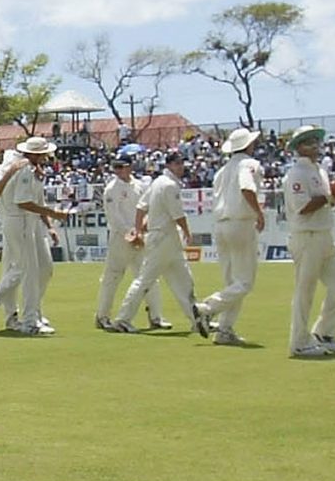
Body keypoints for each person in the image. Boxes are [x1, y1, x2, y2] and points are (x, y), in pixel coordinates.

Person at [0, 136, 71, 335]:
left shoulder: (16, 165)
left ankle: (17, 316)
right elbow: (22, 202)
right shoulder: (22, 167)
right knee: (25, 270)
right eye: (42, 154)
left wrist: (48, 225)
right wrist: (54, 214)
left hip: (18, 221)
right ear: (33, 153)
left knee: (26, 269)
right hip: (21, 220)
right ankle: (18, 316)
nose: (46, 157)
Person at [280, 125, 335, 358]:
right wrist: (332, 194)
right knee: (306, 291)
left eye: (315, 140)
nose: (314, 145)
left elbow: (325, 201)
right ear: (298, 147)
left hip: (325, 235)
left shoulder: (319, 170)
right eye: (308, 141)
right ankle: (299, 342)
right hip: (306, 237)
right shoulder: (296, 174)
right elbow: (303, 208)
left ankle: (324, 332)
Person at [110, 152, 203, 335]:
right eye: (177, 163)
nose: (181, 166)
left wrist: (138, 229)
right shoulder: (168, 185)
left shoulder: (158, 182)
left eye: (182, 163)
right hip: (163, 238)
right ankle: (122, 319)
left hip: (165, 238)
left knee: (184, 281)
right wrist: (187, 232)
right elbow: (178, 215)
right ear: (169, 165)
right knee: (145, 279)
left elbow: (141, 207)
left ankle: (197, 319)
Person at [196, 126, 266, 346]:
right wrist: (259, 213)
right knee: (244, 282)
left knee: (232, 282)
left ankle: (225, 330)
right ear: (249, 145)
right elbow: (247, 188)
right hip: (240, 223)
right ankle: (208, 308)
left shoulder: (222, 170)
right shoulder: (249, 164)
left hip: (221, 225)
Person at [93, 153, 146, 329]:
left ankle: (156, 316)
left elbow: (146, 209)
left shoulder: (139, 185)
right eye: (115, 167)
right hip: (120, 237)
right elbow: (113, 217)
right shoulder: (111, 188)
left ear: (130, 167)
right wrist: (129, 233)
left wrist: (139, 231)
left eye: (120, 167)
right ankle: (102, 316)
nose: (117, 171)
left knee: (147, 276)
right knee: (113, 276)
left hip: (139, 235)